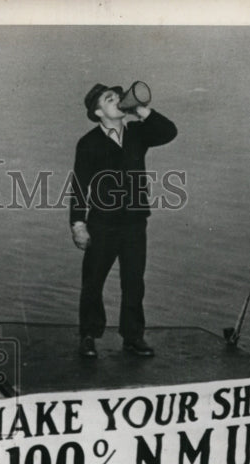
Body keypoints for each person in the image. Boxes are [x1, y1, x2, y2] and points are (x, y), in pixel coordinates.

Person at [70, 83, 178, 359]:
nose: (118, 100)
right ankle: (88, 335)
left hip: (134, 223)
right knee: (93, 281)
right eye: (110, 99)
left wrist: (140, 109)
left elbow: (168, 131)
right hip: (102, 223)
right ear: (98, 112)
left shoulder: (137, 135)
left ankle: (133, 337)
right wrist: (78, 224)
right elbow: (80, 186)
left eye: (118, 97)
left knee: (134, 281)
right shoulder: (88, 142)